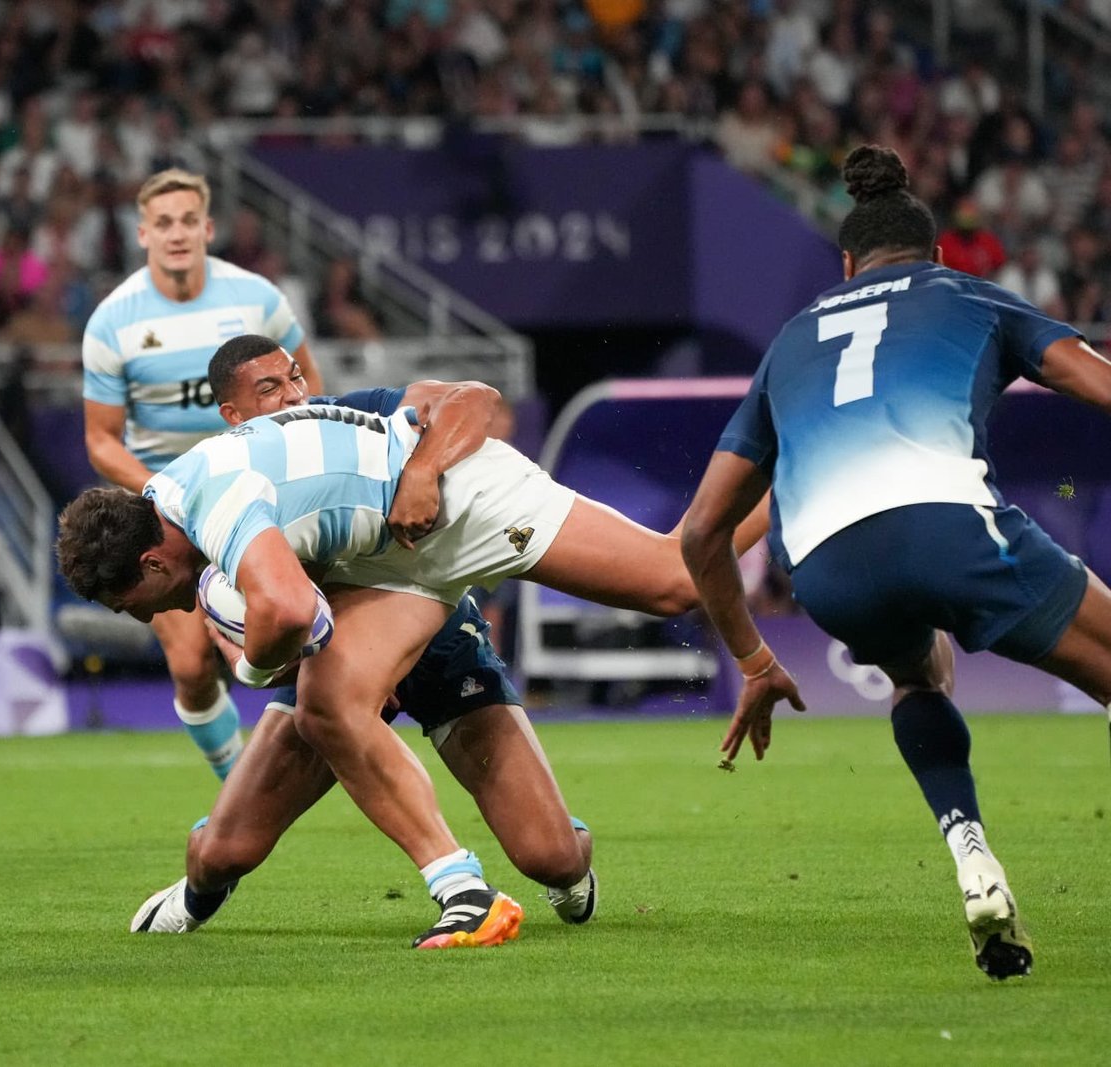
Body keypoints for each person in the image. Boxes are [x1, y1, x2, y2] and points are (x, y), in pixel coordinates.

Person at [58, 334, 769, 948]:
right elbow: (291, 598)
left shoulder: (219, 496)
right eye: (269, 387)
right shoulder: (184, 497)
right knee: (291, 755)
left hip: (459, 507)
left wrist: (253, 663)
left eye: (134, 604)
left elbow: (282, 609)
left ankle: (787, 480)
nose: (150, 614)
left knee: (672, 586)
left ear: (152, 563)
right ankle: (461, 889)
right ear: (234, 413)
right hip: (384, 573)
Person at [679, 145, 1111, 981]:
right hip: (948, 525)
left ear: (846, 266)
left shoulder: (792, 337)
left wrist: (754, 659)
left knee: (922, 676)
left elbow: (701, 534)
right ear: (937, 254)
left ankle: (970, 849)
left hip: (829, 570)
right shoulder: (971, 295)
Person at [131, 344, 597, 940]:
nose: (294, 397)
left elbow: (474, 401)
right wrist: (257, 653)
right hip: (336, 663)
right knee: (221, 852)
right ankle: (194, 896)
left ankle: (540, 841)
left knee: (550, 858)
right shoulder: (221, 497)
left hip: (436, 635)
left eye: (294, 379)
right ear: (232, 416)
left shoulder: (348, 418)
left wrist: (424, 470)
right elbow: (255, 640)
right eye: (269, 391)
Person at [80, 169, 325, 781]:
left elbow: (308, 385)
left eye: (189, 220)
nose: (177, 233)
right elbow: (100, 439)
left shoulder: (257, 300)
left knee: (302, 639)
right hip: (172, 516)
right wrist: (164, 498)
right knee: (192, 667)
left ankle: (321, 757)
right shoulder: (113, 322)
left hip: (263, 496)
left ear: (208, 228)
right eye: (163, 223)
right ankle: (238, 783)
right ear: (143, 234)